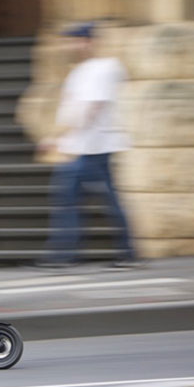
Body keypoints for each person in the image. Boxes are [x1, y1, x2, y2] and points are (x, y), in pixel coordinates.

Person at [37, 22, 138, 269]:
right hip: (80, 146)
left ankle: (66, 254)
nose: (70, 46)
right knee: (81, 198)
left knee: (74, 198)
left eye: (76, 40)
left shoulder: (103, 68)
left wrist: (58, 138)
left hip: (93, 147)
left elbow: (92, 108)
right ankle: (122, 252)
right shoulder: (80, 71)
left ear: (89, 41)